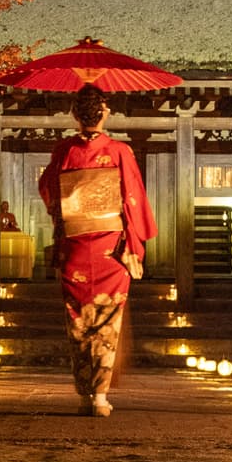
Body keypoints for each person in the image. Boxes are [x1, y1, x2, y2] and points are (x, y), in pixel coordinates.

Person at [38, 83, 157, 416]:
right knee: (107, 321)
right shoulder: (120, 152)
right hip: (111, 249)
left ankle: (82, 395)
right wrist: (134, 246)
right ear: (105, 113)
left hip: (76, 245)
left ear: (75, 115)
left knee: (77, 321)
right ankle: (100, 398)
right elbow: (133, 199)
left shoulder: (63, 151)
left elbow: (48, 190)